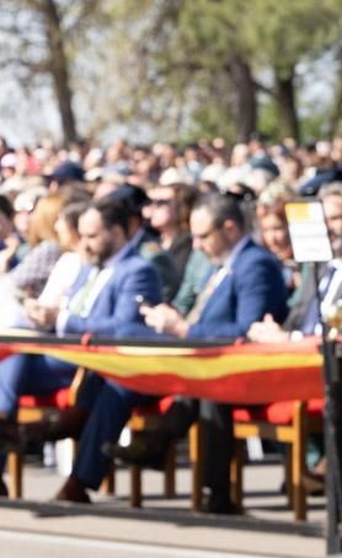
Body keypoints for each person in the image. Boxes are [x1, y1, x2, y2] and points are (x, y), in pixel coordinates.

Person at [65, 192, 290, 509]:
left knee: (189, 376)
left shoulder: (254, 265)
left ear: (229, 228)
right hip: (199, 357)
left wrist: (183, 330)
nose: (196, 245)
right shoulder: (222, 263)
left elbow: (249, 331)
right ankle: (87, 454)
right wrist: (173, 321)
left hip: (234, 366)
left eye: (203, 236)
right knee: (123, 376)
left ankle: (193, 473)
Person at [248, 182, 342, 523]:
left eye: (337, 218)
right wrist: (272, 331)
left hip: (340, 371)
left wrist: (288, 338)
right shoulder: (318, 269)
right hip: (299, 366)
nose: (329, 227)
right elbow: (297, 317)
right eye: (324, 218)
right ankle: (326, 487)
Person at [0, 195, 164, 455]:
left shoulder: (137, 270)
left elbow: (122, 328)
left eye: (91, 236)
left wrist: (60, 319)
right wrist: (43, 315)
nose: (83, 243)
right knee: (10, 347)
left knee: (13, 352)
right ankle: (4, 423)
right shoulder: (88, 267)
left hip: (91, 359)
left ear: (117, 233)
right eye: (82, 235)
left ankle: (5, 417)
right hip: (59, 349)